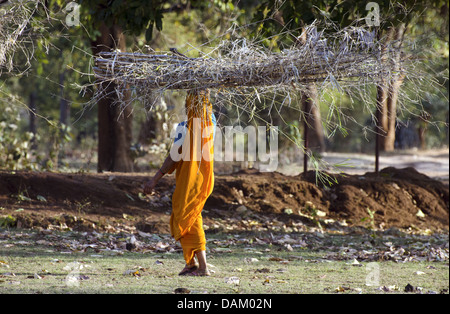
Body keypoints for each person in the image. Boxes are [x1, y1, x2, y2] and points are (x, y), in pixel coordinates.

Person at [143, 89, 216, 276]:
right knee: (186, 216)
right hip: (201, 180)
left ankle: (203, 267)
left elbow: (173, 157)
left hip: (192, 181)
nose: (187, 106)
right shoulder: (212, 122)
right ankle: (191, 264)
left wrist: (154, 179)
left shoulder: (187, 128)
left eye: (190, 103)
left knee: (188, 217)